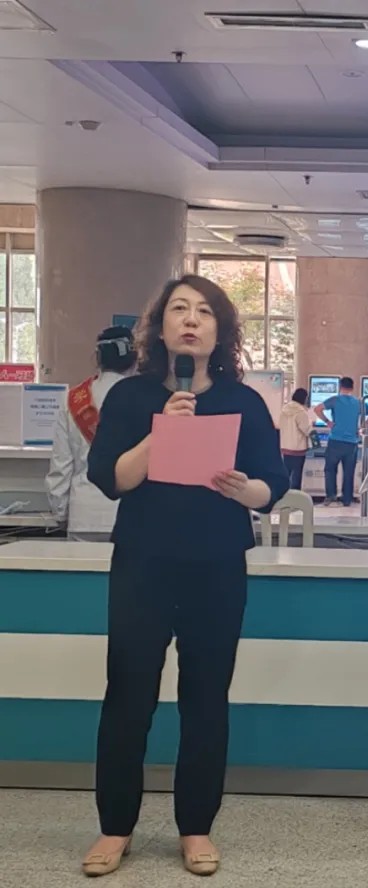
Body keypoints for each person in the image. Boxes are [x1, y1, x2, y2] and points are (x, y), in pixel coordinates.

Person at [82, 274, 289, 877]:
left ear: (220, 331)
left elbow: (272, 484)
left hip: (216, 566)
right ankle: (115, 827)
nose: (191, 320)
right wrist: (161, 434)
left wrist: (246, 490)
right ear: (160, 327)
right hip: (143, 564)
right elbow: (111, 479)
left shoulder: (244, 402)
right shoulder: (130, 397)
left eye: (204, 311)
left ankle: (196, 827)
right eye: (179, 309)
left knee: (205, 699)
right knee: (128, 696)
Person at [46, 326, 137, 541]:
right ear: (135, 359)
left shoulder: (73, 399)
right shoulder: (142, 398)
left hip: (84, 515)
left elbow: (61, 465)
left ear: (98, 358)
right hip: (131, 513)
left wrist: (60, 512)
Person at [314, 376, 361, 507]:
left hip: (335, 440)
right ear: (352, 388)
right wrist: (362, 426)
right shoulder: (358, 402)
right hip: (352, 443)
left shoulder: (335, 400)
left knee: (330, 469)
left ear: (340, 387)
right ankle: (347, 499)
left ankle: (331, 497)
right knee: (349, 472)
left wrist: (327, 422)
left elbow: (317, 409)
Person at [279, 387, 313, 490]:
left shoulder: (284, 410)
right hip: (298, 449)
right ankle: (296, 495)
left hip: (286, 447)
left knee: (286, 474)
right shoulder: (300, 412)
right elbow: (307, 429)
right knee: (297, 476)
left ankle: (283, 493)